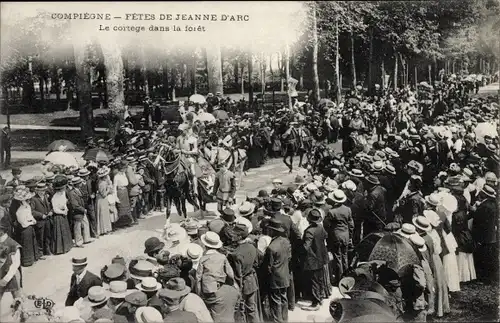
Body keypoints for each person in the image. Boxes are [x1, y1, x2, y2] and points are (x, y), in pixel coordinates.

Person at [196, 231, 238, 322]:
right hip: (221, 286)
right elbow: (230, 274)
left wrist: (199, 293)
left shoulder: (203, 259)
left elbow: (198, 278)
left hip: (208, 289)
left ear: (205, 245)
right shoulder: (222, 257)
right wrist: (232, 285)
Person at [228, 223, 262, 322]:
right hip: (252, 281)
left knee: (241, 310)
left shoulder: (236, 254)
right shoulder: (252, 246)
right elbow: (256, 262)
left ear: (239, 236)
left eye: (234, 234)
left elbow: (238, 276)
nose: (232, 236)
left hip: (242, 285)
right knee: (252, 309)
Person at [262, 218, 291, 323]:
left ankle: (278, 320)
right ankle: (285, 318)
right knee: (284, 298)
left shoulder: (271, 247)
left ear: (272, 231)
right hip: (285, 274)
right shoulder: (286, 242)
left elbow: (269, 266)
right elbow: (289, 257)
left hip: (275, 277)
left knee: (275, 300)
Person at [300, 208, 329, 311]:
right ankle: (320, 298)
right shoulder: (320, 227)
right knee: (319, 279)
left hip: (312, 259)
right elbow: (326, 236)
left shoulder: (309, 231)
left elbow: (306, 247)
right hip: (321, 257)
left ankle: (315, 303)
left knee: (314, 281)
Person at [324, 189, 353, 285]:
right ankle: (346, 275)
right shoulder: (348, 209)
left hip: (336, 236)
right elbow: (351, 225)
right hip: (346, 235)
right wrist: (350, 236)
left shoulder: (332, 212)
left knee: (337, 257)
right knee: (345, 256)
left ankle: (339, 278)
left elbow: (326, 225)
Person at [470, 185, 497, 284]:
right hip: (490, 235)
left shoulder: (484, 206)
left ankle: (484, 279)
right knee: (488, 257)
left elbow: (478, 220)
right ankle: (489, 278)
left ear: (484, 194)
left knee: (483, 257)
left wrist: (474, 210)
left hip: (483, 236)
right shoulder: (492, 204)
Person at [12, 187, 42, 266]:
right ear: (22, 201)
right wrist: (31, 222)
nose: (29, 201)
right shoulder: (20, 211)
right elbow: (23, 223)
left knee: (32, 243)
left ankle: (34, 257)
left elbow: (30, 216)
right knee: (27, 245)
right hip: (25, 229)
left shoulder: (27, 207)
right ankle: (27, 261)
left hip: (30, 227)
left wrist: (32, 220)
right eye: (27, 200)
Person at [0, 220, 22, 317]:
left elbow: (16, 263)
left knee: (17, 300)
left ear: (2, 230)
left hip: (11, 275)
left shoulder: (12, 244)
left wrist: (6, 278)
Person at [50, 175, 73, 255]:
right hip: (58, 217)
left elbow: (64, 203)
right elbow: (55, 209)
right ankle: (60, 248)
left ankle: (67, 246)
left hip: (63, 215)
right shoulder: (54, 197)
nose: (63, 190)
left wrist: (65, 208)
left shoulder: (63, 194)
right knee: (59, 232)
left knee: (65, 231)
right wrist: (63, 212)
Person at [67, 177, 93, 247]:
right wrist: (83, 209)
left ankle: (86, 239)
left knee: (85, 223)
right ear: (77, 184)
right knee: (77, 227)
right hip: (77, 212)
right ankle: (78, 242)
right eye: (80, 183)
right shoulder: (72, 193)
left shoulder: (79, 190)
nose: (81, 184)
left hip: (81, 211)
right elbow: (74, 205)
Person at [176, 123, 199, 198]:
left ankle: (195, 189)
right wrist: (177, 151)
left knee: (193, 172)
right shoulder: (179, 138)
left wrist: (186, 152)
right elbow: (176, 148)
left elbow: (195, 151)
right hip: (180, 157)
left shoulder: (193, 139)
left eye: (183, 131)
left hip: (189, 157)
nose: (181, 132)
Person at [30, 182, 53, 256]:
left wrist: (50, 212)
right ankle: (40, 253)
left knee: (48, 236)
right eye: (41, 191)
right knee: (40, 237)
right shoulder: (33, 199)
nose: (43, 192)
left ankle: (47, 250)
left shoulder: (45, 197)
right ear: (37, 191)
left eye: (44, 190)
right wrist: (41, 215)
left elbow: (49, 207)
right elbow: (32, 211)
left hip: (47, 220)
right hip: (40, 222)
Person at [96, 167, 113, 235]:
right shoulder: (102, 183)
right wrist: (108, 189)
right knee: (103, 214)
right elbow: (103, 194)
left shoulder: (101, 182)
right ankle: (104, 230)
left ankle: (105, 229)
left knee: (104, 214)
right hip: (102, 200)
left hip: (101, 200)